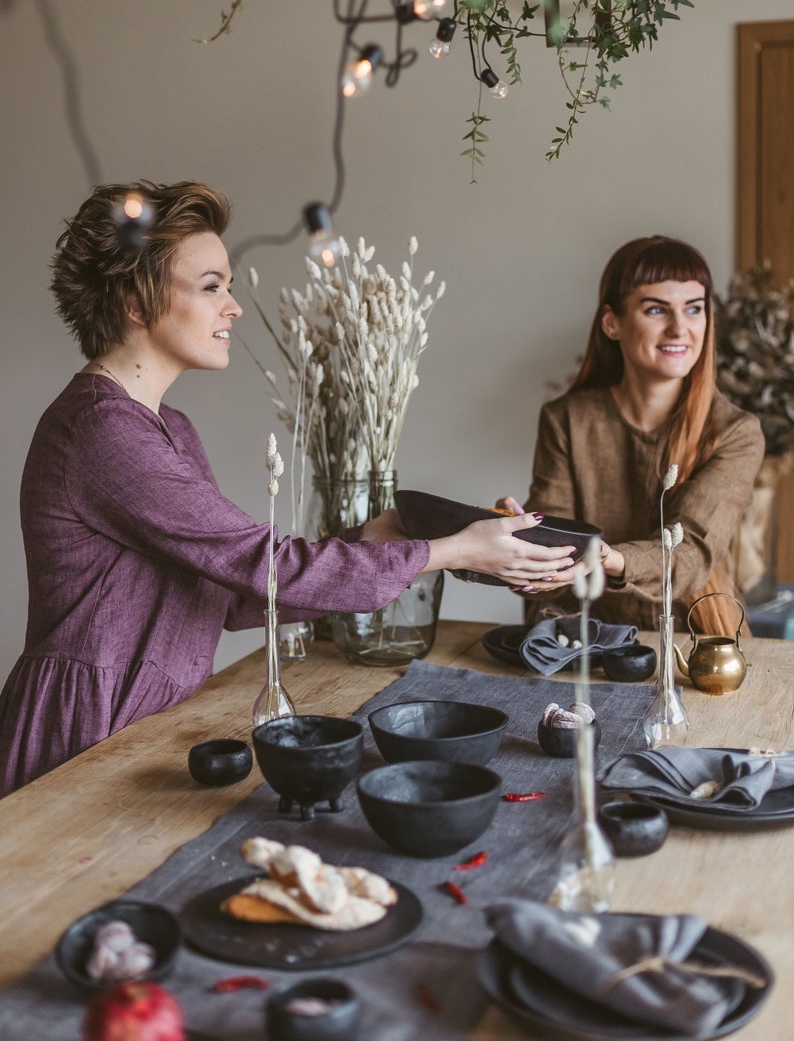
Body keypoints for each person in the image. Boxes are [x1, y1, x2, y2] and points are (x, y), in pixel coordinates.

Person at [0, 181, 575, 797]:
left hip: (142, 725)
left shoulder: (170, 428)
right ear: (137, 302)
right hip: (83, 729)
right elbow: (262, 564)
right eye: (212, 285)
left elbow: (231, 592)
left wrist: (381, 537)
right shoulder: (102, 430)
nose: (234, 306)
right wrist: (454, 553)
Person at [500, 235, 765, 635]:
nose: (680, 328)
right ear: (612, 323)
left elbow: (691, 554)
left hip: (693, 639)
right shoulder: (566, 419)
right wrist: (520, 543)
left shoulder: (735, 433)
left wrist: (606, 558)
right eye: (657, 309)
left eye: (694, 309)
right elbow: (546, 568)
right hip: (580, 639)